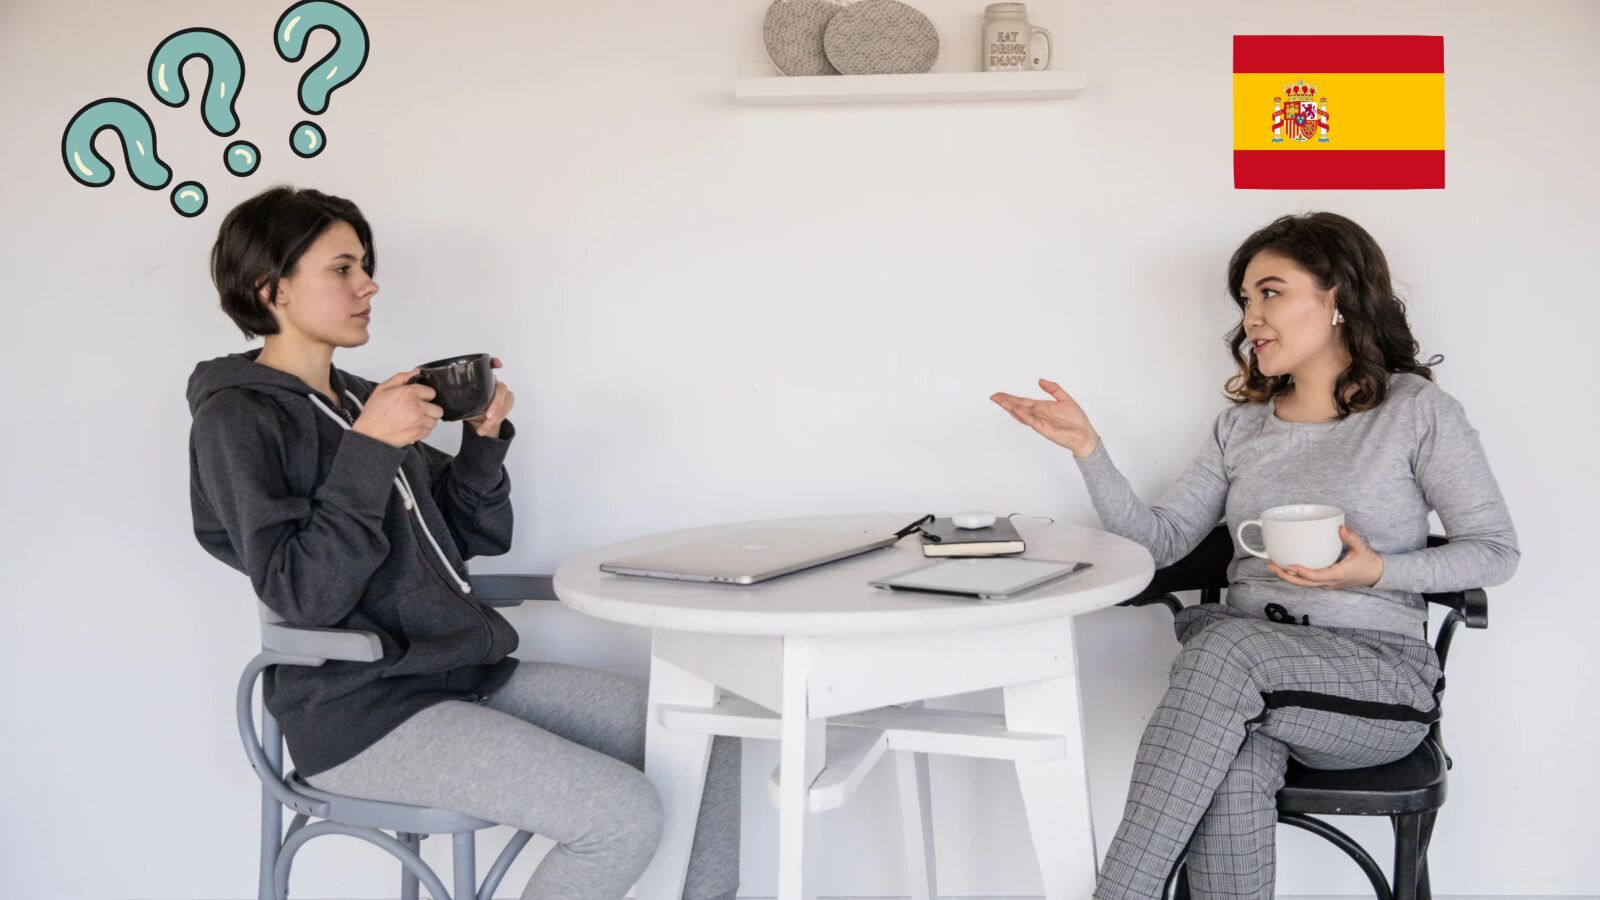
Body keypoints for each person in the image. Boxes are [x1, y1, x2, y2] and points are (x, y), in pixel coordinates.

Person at [187, 186, 739, 900]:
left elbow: (473, 533)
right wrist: (370, 447)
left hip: (461, 676)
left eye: (366, 267)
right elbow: (302, 593)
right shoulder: (237, 419)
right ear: (273, 288)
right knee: (621, 815)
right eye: (343, 269)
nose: (368, 285)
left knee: (709, 733)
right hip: (362, 713)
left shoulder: (360, 399)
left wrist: (482, 440)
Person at [991, 212, 1519, 900]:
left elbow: (1495, 552)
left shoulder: (1415, 412)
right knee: (1234, 765)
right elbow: (1161, 544)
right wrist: (1089, 451)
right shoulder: (1240, 428)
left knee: (1224, 650)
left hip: (1375, 683)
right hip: (1245, 689)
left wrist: (1379, 571)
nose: (1251, 318)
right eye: (1245, 300)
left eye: (1271, 292)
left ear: (1337, 297)